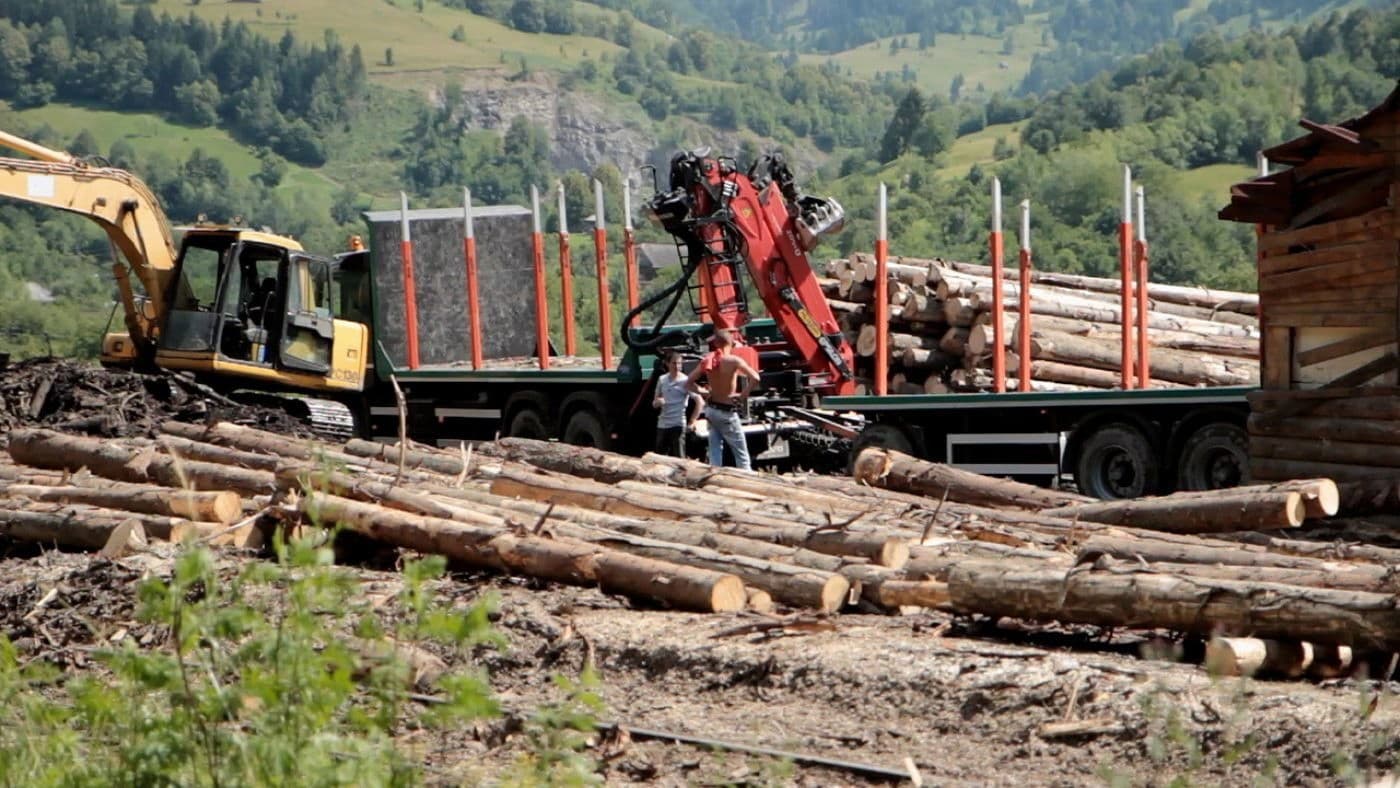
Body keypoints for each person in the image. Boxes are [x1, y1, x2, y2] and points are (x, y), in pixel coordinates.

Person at [685, 328, 760, 470]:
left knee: (715, 452)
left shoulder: (708, 360)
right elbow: (756, 378)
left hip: (712, 410)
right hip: (727, 412)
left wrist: (704, 392)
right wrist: (743, 395)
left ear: (716, 344)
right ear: (730, 343)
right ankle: (747, 483)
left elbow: (688, 383)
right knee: (741, 455)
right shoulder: (734, 361)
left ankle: (714, 479)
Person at [652, 351, 702, 457]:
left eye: (679, 363)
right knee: (660, 457)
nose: (677, 366)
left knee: (679, 457)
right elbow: (654, 402)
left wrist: (692, 421)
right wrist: (658, 402)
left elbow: (700, 402)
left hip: (678, 424)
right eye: (674, 363)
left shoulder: (685, 381)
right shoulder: (662, 380)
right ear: (667, 364)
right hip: (663, 424)